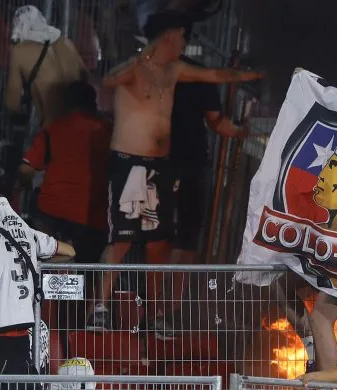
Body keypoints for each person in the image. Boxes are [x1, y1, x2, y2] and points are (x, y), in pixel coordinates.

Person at [88, 14, 262, 333]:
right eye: (181, 36)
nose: (185, 42)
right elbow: (109, 80)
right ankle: (99, 307)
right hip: (131, 164)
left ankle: (156, 315)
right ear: (167, 37)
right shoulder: (135, 68)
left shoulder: (177, 71)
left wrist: (258, 72)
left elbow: (217, 75)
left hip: (162, 167)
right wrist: (143, 57)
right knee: (122, 241)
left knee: (159, 245)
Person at [18, 80, 112, 264]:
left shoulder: (52, 129)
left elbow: (26, 169)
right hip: (93, 217)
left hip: (52, 214)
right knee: (90, 266)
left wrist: (24, 182)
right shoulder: (107, 129)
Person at [169, 48, 249, 264]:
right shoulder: (200, 76)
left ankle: (155, 294)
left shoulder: (151, 72)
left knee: (160, 234)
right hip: (191, 159)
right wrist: (242, 131)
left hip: (161, 159)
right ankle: (173, 297)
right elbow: (218, 123)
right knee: (187, 235)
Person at [0, 192, 74, 376]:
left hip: (0, 327)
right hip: (22, 329)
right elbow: (69, 251)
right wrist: (38, 265)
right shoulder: (28, 233)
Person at [4, 6, 87, 127]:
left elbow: (13, 98)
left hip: (53, 127)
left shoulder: (20, 51)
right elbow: (85, 75)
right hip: (80, 122)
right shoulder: (66, 43)